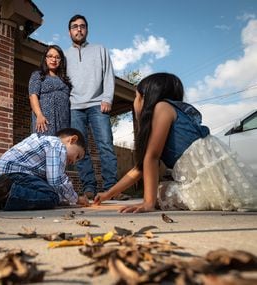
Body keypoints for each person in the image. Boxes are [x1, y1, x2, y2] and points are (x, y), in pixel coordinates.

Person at [94, 72, 257, 213]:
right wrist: (108, 194)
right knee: (163, 190)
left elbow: (152, 157)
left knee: (161, 192)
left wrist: (148, 202)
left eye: (137, 97)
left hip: (208, 184)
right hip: (216, 183)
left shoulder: (162, 107)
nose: (135, 102)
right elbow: (140, 169)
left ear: (147, 98)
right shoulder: (170, 111)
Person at [65, 14, 118, 199]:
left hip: (98, 104)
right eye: (74, 26)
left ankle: (111, 189)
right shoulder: (64, 55)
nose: (78, 29)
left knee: (105, 145)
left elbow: (108, 75)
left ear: (87, 29)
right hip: (74, 107)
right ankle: (89, 187)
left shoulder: (100, 49)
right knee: (80, 150)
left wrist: (107, 98)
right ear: (69, 31)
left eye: (82, 26)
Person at [0, 128, 89, 211]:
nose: (74, 161)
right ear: (72, 140)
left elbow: (50, 181)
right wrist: (76, 198)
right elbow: (56, 181)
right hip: (15, 173)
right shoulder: (57, 145)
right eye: (77, 155)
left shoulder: (46, 143)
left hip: (0, 175)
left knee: (48, 191)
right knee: (51, 197)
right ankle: (6, 194)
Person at [29, 45, 71, 136]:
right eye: (50, 56)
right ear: (45, 58)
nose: (54, 60)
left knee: (61, 148)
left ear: (61, 60)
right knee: (45, 146)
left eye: (57, 57)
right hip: (45, 121)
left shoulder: (65, 80)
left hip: (64, 121)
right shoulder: (38, 75)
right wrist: (39, 115)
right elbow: (33, 95)